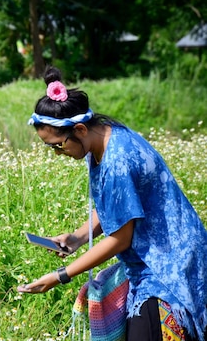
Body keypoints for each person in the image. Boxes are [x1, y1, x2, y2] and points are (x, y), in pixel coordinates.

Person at [17, 67, 207, 341]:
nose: (57, 153)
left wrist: (61, 275)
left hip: (167, 270)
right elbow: (118, 205)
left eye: (58, 145)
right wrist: (78, 238)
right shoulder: (104, 139)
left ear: (80, 129)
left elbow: (120, 238)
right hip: (150, 262)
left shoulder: (118, 160)